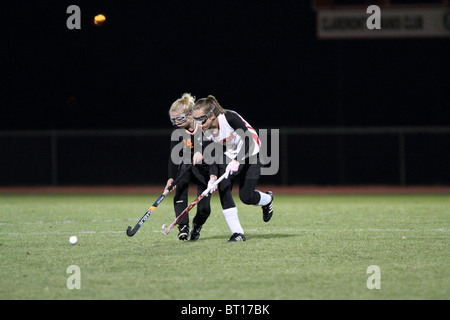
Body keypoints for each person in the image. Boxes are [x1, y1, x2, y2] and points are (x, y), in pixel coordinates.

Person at [192, 95, 274, 242]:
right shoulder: (205, 131)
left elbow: (248, 139)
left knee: (246, 197)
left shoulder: (229, 117)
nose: (198, 124)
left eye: (201, 119)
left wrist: (238, 160)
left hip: (252, 153)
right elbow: (213, 156)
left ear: (211, 115)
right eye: (196, 119)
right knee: (223, 187)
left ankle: (267, 199)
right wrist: (212, 178)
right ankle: (238, 233)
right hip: (231, 156)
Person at [164, 93, 213, 241]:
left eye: (180, 118)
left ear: (190, 115)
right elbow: (173, 158)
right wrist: (171, 178)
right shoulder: (177, 133)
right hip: (186, 166)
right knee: (180, 193)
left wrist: (203, 154)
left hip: (204, 168)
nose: (177, 122)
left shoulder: (204, 127)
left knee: (204, 209)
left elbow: (215, 149)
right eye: (174, 120)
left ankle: (197, 226)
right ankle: (183, 226)